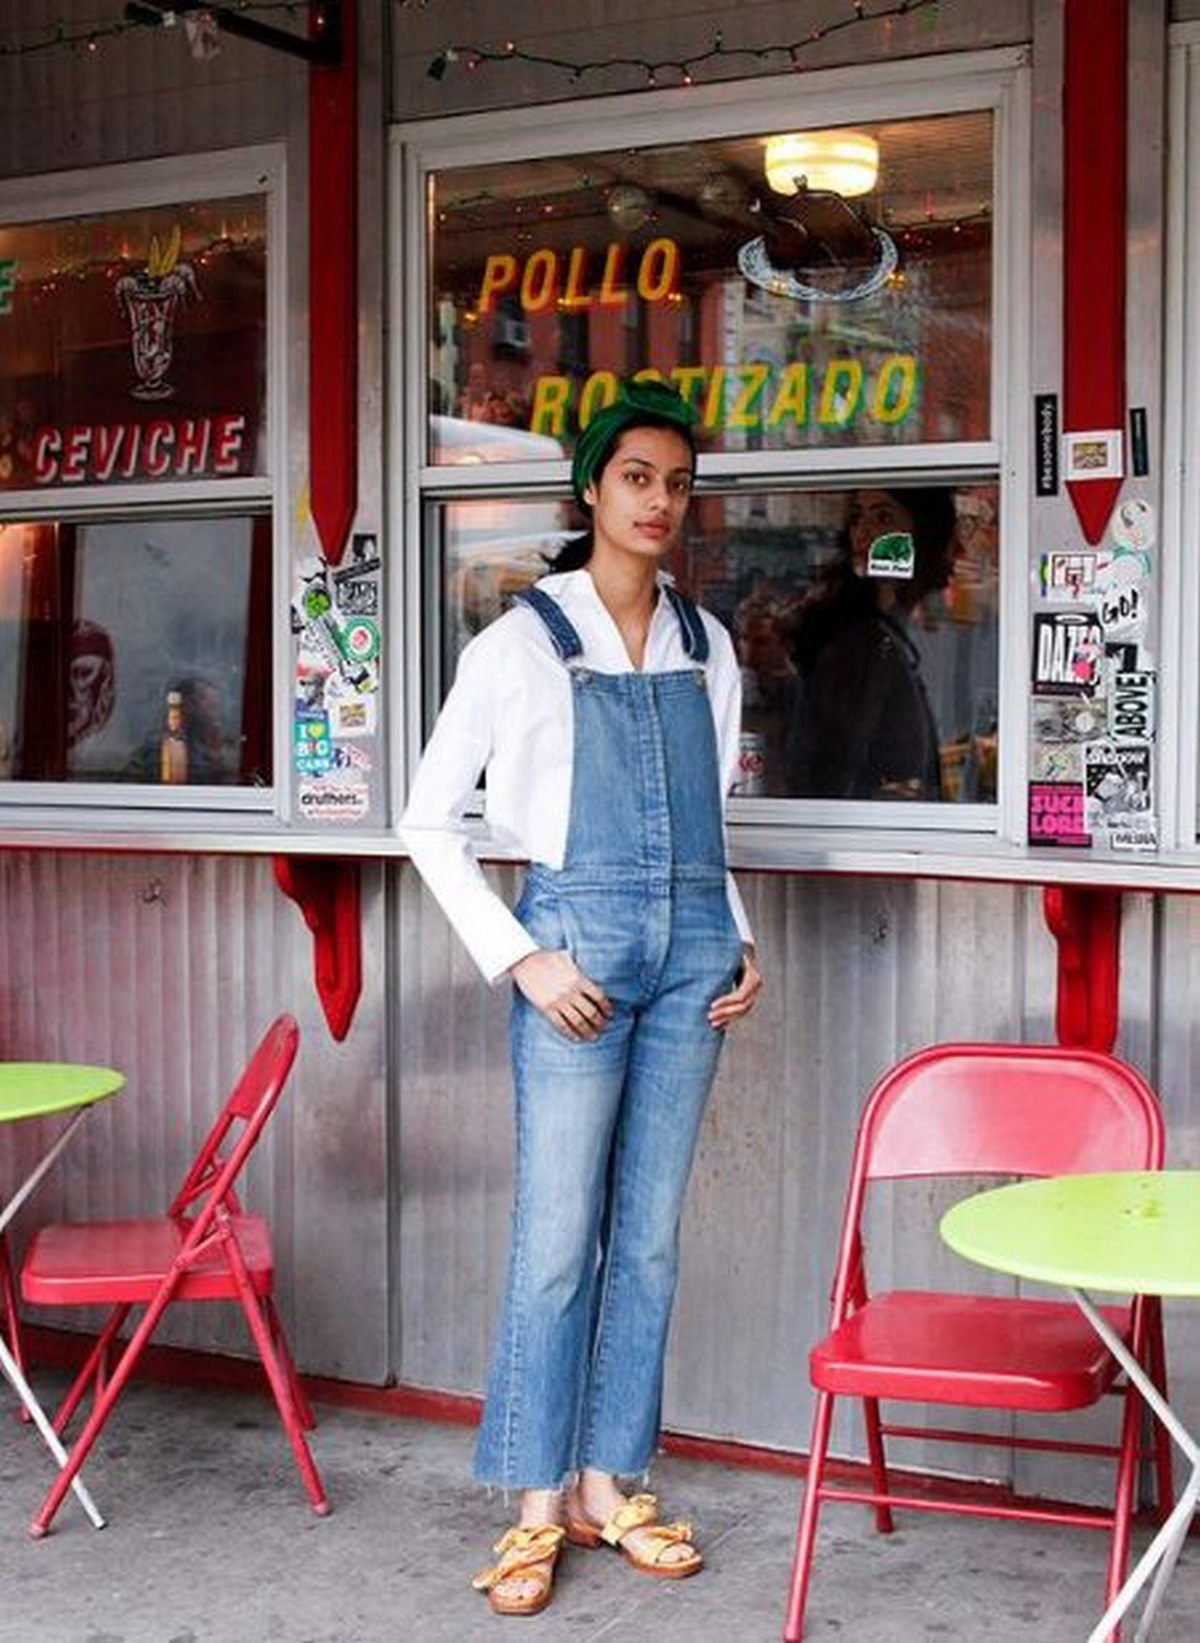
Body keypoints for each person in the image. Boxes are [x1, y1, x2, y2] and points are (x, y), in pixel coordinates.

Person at [400, 377, 763, 1617]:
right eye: (636, 478)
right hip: (572, 947)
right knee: (558, 1239)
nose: (659, 501)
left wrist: (741, 934)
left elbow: (715, 817)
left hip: (693, 951)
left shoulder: (707, 645)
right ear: (591, 490)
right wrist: (521, 955)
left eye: (677, 482)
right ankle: (532, 1504)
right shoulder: (516, 643)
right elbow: (424, 820)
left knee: (649, 1238)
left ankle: (613, 1484)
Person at [789, 487, 956, 800]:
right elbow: (831, 774)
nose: (863, 533)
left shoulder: (890, 633)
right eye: (856, 519)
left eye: (882, 517)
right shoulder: (860, 643)